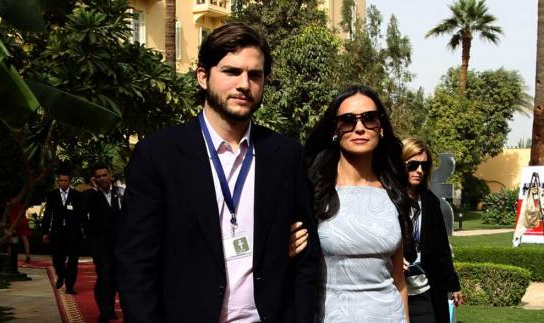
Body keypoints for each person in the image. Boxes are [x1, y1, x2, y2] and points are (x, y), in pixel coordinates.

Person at [114, 22, 320, 322]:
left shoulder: (286, 155)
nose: (244, 84)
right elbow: (135, 263)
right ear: (202, 76)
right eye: (231, 71)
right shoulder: (159, 155)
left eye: (255, 75)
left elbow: (305, 258)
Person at [304, 85, 414, 322]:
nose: (360, 128)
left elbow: (399, 280)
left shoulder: (393, 193)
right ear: (335, 130)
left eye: (369, 118)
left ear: (381, 127)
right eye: (348, 120)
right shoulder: (312, 191)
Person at [401, 138, 463, 323]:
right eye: (412, 165)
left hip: (424, 289)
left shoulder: (430, 202)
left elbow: (441, 248)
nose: (419, 170)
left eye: (424, 165)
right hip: (392, 290)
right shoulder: (387, 198)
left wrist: (454, 284)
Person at [84, 164, 123, 323]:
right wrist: (93, 189)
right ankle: (104, 311)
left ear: (110, 175)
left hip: (119, 246)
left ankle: (111, 308)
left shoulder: (120, 193)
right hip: (100, 247)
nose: (102, 179)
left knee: (115, 278)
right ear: (94, 179)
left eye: (104, 175)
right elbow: (82, 208)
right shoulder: (91, 195)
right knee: (104, 277)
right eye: (98, 176)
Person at [42, 171, 84, 294]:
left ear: (69, 181)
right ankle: (61, 275)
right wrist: (45, 232)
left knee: (72, 261)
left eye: (66, 180)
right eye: (61, 180)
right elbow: (48, 214)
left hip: (73, 233)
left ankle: (70, 286)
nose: (64, 182)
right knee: (57, 259)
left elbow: (81, 215)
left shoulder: (76, 195)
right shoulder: (52, 195)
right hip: (57, 233)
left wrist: (84, 231)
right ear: (58, 181)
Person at [8, 198, 31, 263]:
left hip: (14, 221)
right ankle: (27, 255)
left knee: (13, 238)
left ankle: (11, 256)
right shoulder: (23, 199)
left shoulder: (12, 200)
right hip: (21, 220)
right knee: (24, 237)